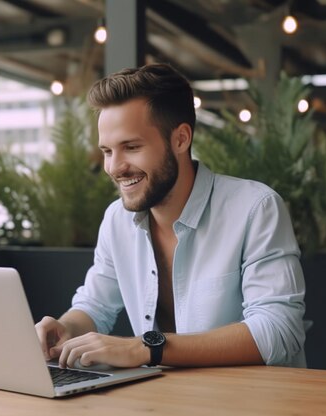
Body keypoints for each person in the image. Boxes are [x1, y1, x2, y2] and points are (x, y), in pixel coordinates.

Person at [35, 63, 306, 369]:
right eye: (108, 151)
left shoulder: (256, 208)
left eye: (131, 147)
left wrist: (146, 348)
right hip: (162, 400)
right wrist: (66, 327)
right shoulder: (117, 219)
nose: (114, 167)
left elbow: (279, 331)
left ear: (180, 139)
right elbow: (95, 306)